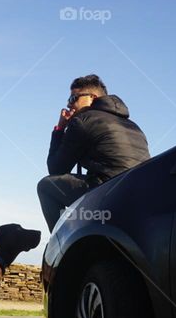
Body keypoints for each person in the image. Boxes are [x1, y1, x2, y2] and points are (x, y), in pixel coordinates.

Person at [37, 74, 150, 232]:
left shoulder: (83, 121)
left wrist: (60, 128)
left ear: (92, 97)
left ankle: (60, 242)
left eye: (73, 99)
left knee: (45, 186)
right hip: (139, 194)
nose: (69, 105)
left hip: (108, 193)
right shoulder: (133, 125)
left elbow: (56, 169)